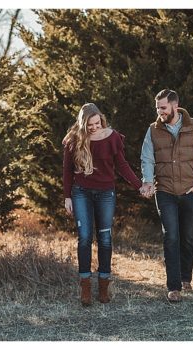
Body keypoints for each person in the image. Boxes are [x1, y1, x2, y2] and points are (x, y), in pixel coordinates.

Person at [62, 103, 143, 306]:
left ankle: (104, 286)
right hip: (81, 193)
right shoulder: (74, 139)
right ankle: (86, 288)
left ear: (101, 119)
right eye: (90, 125)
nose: (95, 127)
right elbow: (67, 170)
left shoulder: (112, 137)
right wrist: (67, 196)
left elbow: (122, 165)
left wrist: (139, 186)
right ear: (83, 124)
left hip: (106, 193)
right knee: (84, 238)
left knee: (105, 239)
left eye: (97, 123)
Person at [139, 89, 193, 302]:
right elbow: (147, 159)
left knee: (187, 237)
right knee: (171, 236)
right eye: (157, 108)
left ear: (175, 105)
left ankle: (185, 278)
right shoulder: (152, 130)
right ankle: (173, 287)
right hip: (165, 192)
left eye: (163, 107)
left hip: (190, 191)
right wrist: (148, 181)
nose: (160, 112)